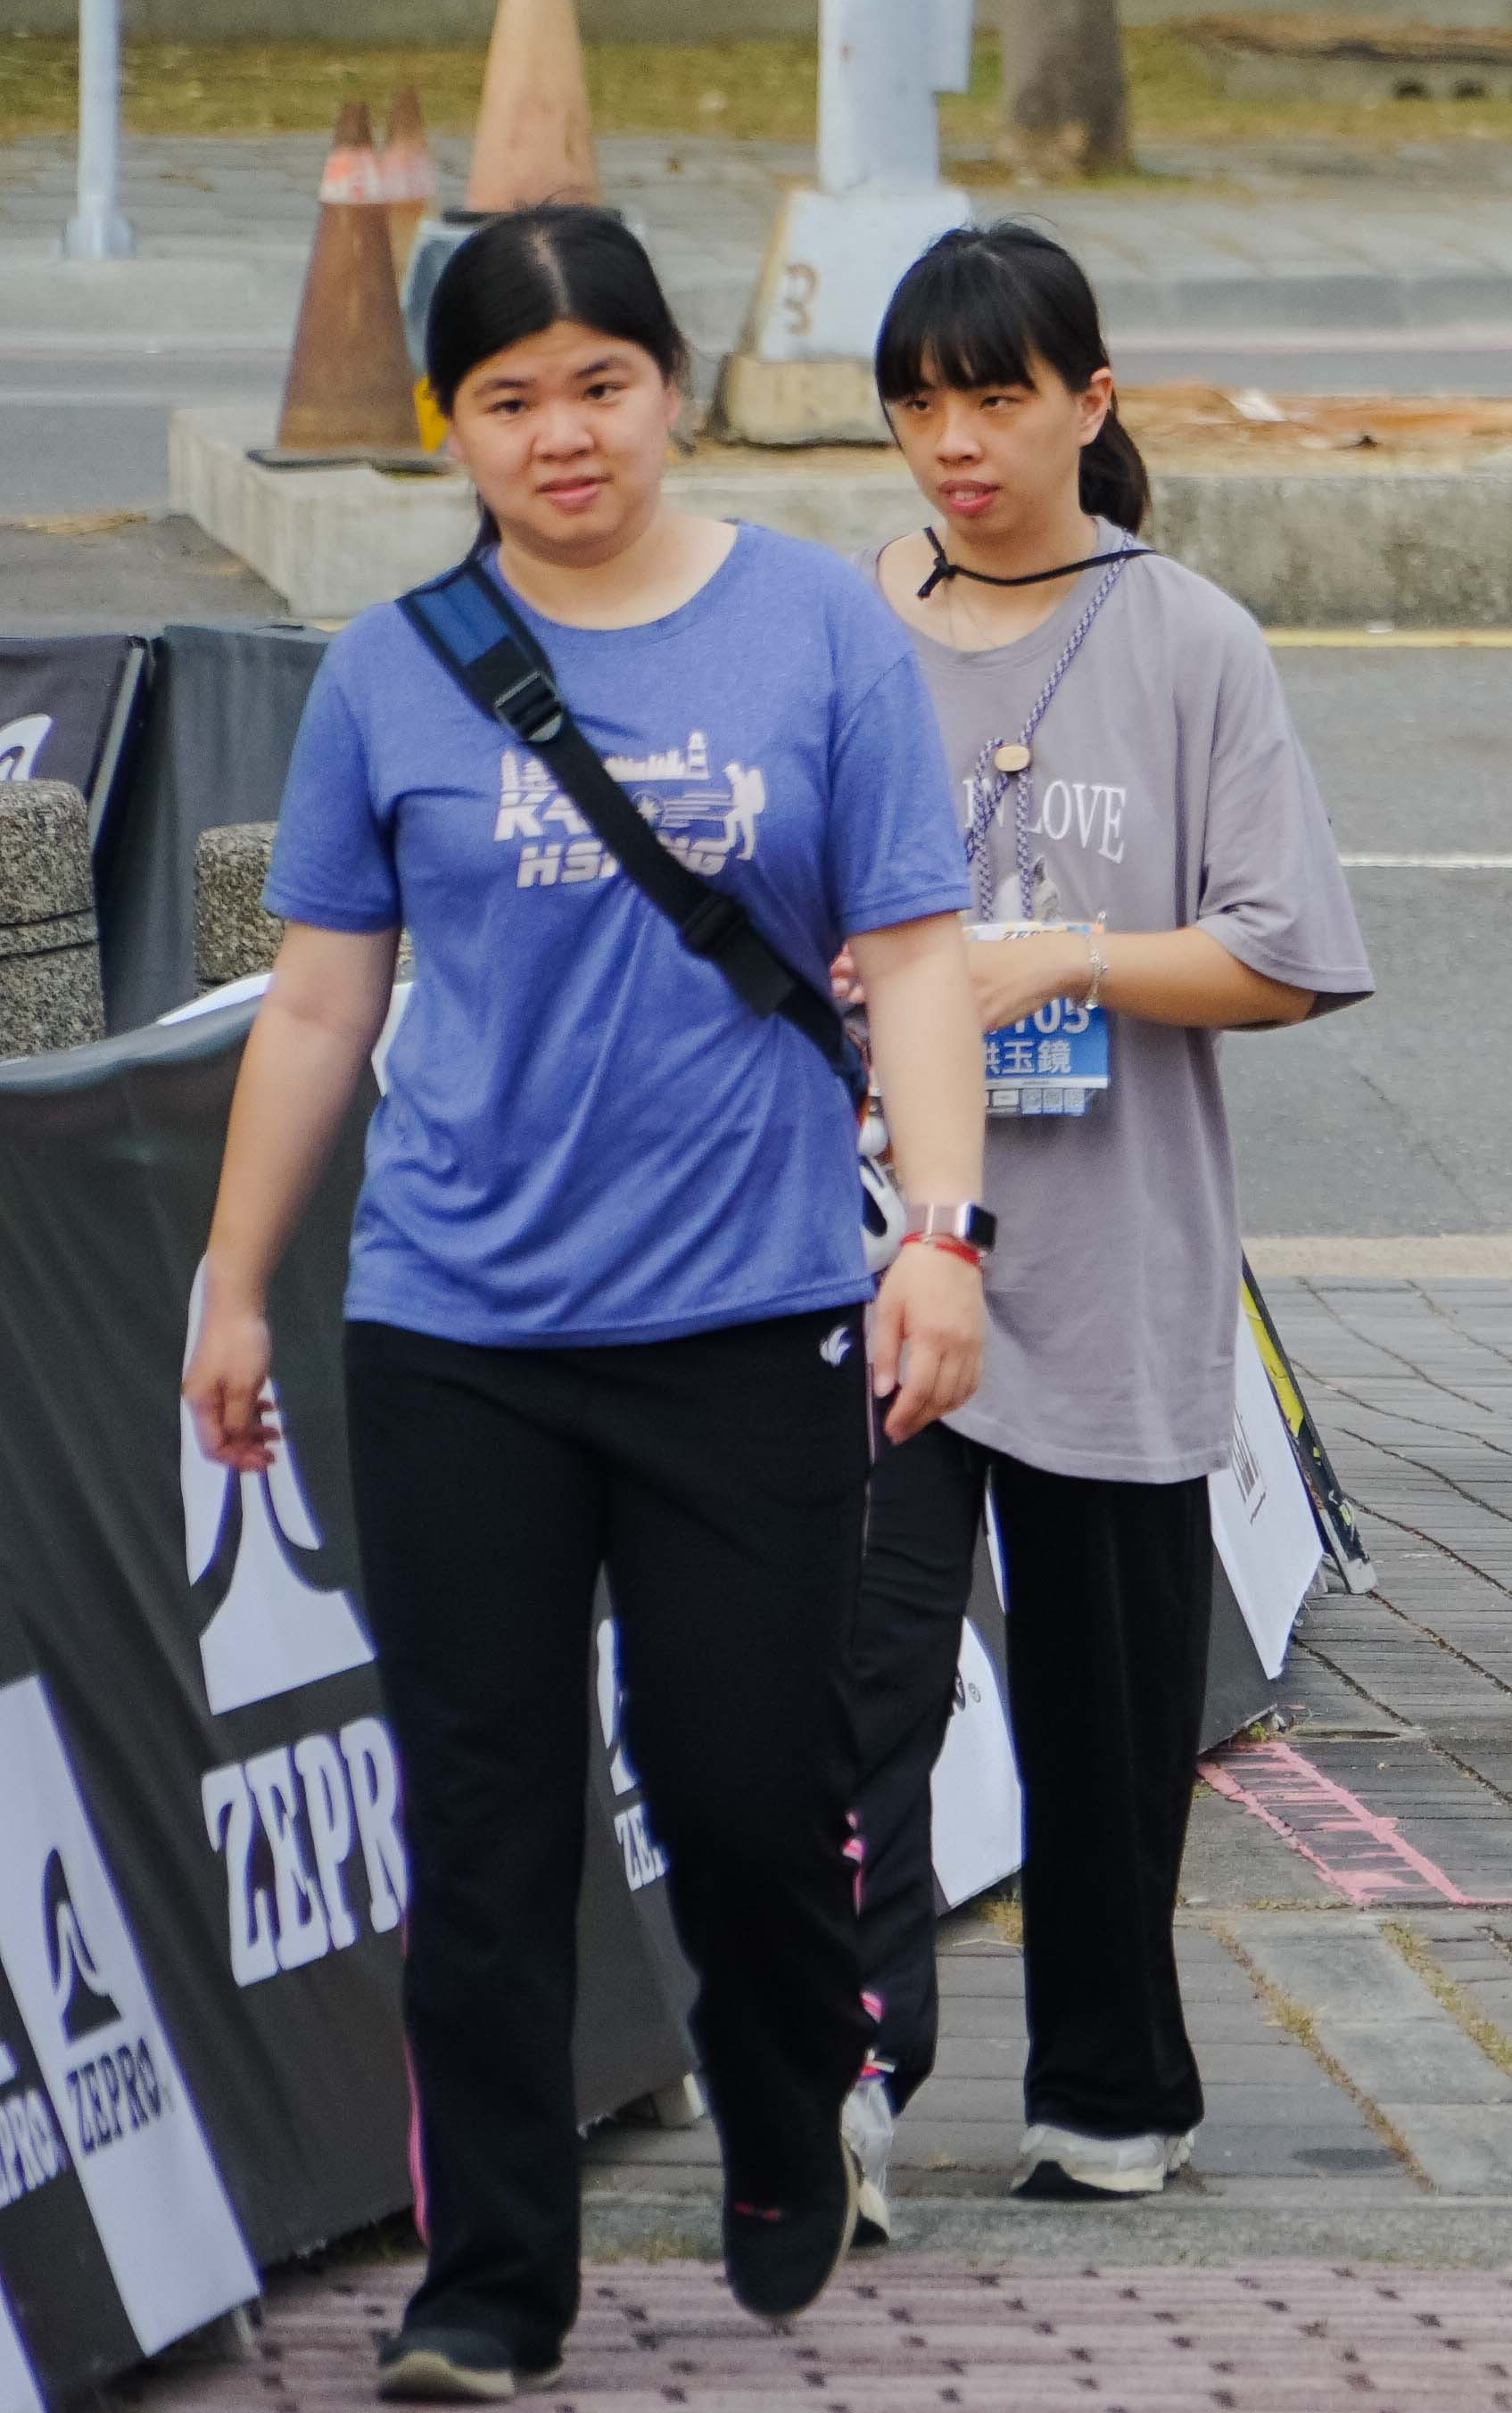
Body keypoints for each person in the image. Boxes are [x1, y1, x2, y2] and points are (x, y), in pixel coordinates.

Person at [179, 206, 991, 2402]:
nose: (563, 433)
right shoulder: (394, 668)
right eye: (509, 397)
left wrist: (942, 1231)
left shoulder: (816, 629)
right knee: (487, 1819)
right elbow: (319, 1000)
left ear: (673, 388)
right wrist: (235, 1280)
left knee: (745, 1786)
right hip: (457, 1332)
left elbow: (916, 951)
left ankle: (785, 2094)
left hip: (748, 1317)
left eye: (601, 383)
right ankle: (492, 2279)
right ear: (452, 425)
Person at [830, 224, 1375, 2236]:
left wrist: (1056, 955)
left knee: (1110, 1716)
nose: (956, 445)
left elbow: (1286, 954)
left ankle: (1112, 2088)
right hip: (873, 1250)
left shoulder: (1189, 640)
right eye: (919, 404)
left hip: (1115, 1252)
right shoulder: (837, 626)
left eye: (997, 398)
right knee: (852, 1683)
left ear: (1092, 400)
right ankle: (843, 2078)